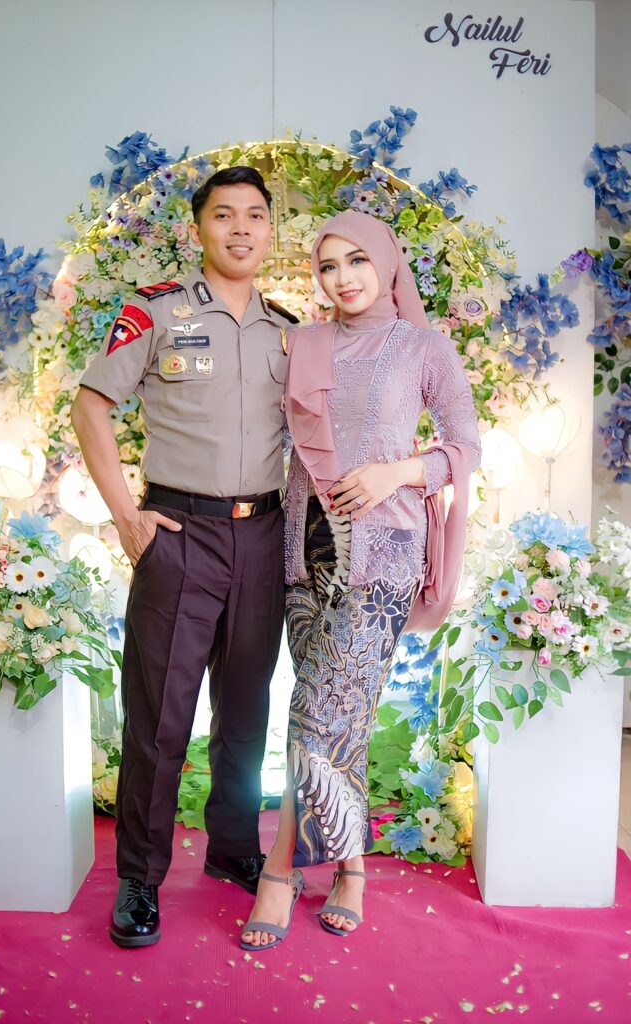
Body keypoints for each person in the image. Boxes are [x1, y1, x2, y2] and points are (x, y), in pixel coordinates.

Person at [240, 210, 481, 950]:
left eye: (357, 261)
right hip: (303, 549)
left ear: (385, 262)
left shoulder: (424, 347)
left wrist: (396, 472)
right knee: (338, 717)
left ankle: (279, 870)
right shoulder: (304, 343)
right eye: (328, 266)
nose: (342, 278)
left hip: (383, 558)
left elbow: (466, 447)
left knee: (315, 715)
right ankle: (351, 869)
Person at [71, 166, 297, 948]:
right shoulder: (157, 311)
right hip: (180, 533)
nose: (241, 228)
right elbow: (90, 405)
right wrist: (126, 517)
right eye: (224, 215)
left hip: (262, 536)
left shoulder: (287, 329)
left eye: (255, 216)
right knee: (161, 719)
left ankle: (233, 846)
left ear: (270, 231)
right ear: (197, 228)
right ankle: (140, 877)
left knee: (247, 710)